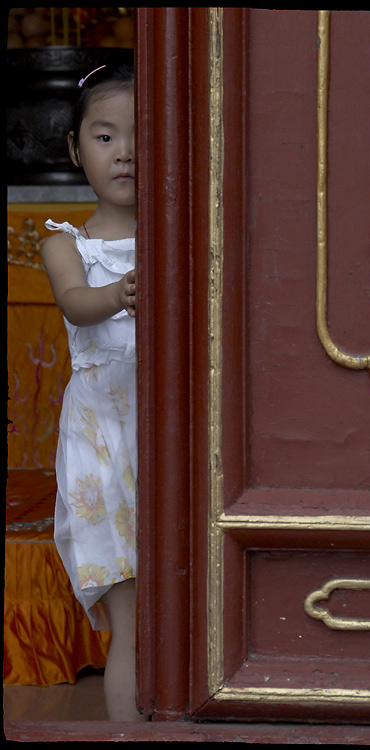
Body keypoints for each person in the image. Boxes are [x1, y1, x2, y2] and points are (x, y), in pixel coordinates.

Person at [42, 63, 146, 722]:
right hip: (104, 438)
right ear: (77, 150)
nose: (125, 152)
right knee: (133, 621)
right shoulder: (66, 244)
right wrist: (118, 293)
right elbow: (79, 304)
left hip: (163, 427)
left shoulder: (182, 231)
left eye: (140, 136)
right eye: (105, 137)